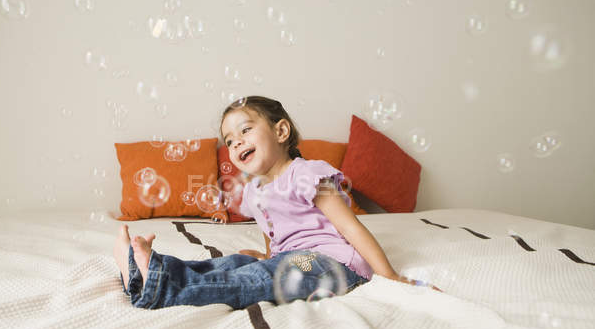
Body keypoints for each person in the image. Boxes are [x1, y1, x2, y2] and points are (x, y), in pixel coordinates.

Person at [113, 95, 439, 310]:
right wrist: (267, 256)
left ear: (281, 131)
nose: (236, 142)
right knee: (234, 265)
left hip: (335, 263)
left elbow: (350, 227)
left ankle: (161, 287)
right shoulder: (255, 192)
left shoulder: (306, 173)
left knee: (256, 280)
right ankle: (148, 270)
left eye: (245, 130)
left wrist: (390, 276)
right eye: (229, 140)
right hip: (293, 259)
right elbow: (276, 235)